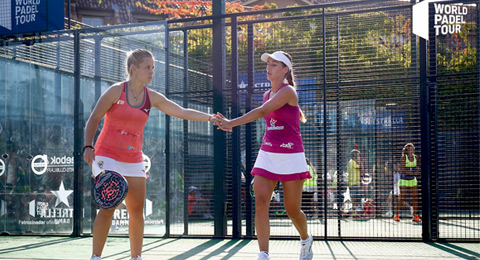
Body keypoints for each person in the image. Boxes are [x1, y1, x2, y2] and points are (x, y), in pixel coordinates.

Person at [83, 49, 217, 260]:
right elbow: (94, 118)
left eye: (153, 68)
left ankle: (136, 257)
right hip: (106, 154)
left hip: (133, 157)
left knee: (136, 209)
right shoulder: (115, 91)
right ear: (133, 69)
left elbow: (181, 111)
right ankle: (96, 257)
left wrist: (210, 117)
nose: (152, 71)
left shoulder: (151, 97)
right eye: (148, 67)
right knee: (108, 206)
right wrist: (88, 147)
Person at [213, 51, 313, 260]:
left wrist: (231, 122)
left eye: (275, 64)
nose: (269, 67)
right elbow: (264, 114)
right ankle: (263, 254)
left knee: (292, 210)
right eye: (268, 64)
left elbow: (260, 112)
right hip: (268, 153)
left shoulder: (289, 92)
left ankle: (305, 238)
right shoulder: (267, 94)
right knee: (260, 200)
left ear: (285, 70)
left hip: (292, 155)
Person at [394, 143, 421, 223]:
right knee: (402, 197)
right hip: (404, 180)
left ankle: (415, 216)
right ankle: (396, 215)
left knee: (415, 198)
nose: (412, 149)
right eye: (410, 148)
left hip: (412, 180)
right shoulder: (403, 158)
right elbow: (403, 170)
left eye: (413, 148)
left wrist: (418, 171)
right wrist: (413, 173)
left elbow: (418, 167)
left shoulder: (416, 157)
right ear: (407, 150)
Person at [347, 149, 363, 217]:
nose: (359, 157)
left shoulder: (352, 162)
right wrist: (360, 162)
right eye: (358, 156)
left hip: (356, 183)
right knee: (354, 198)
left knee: (356, 197)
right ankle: (353, 211)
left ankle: (354, 212)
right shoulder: (352, 162)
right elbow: (360, 167)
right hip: (354, 183)